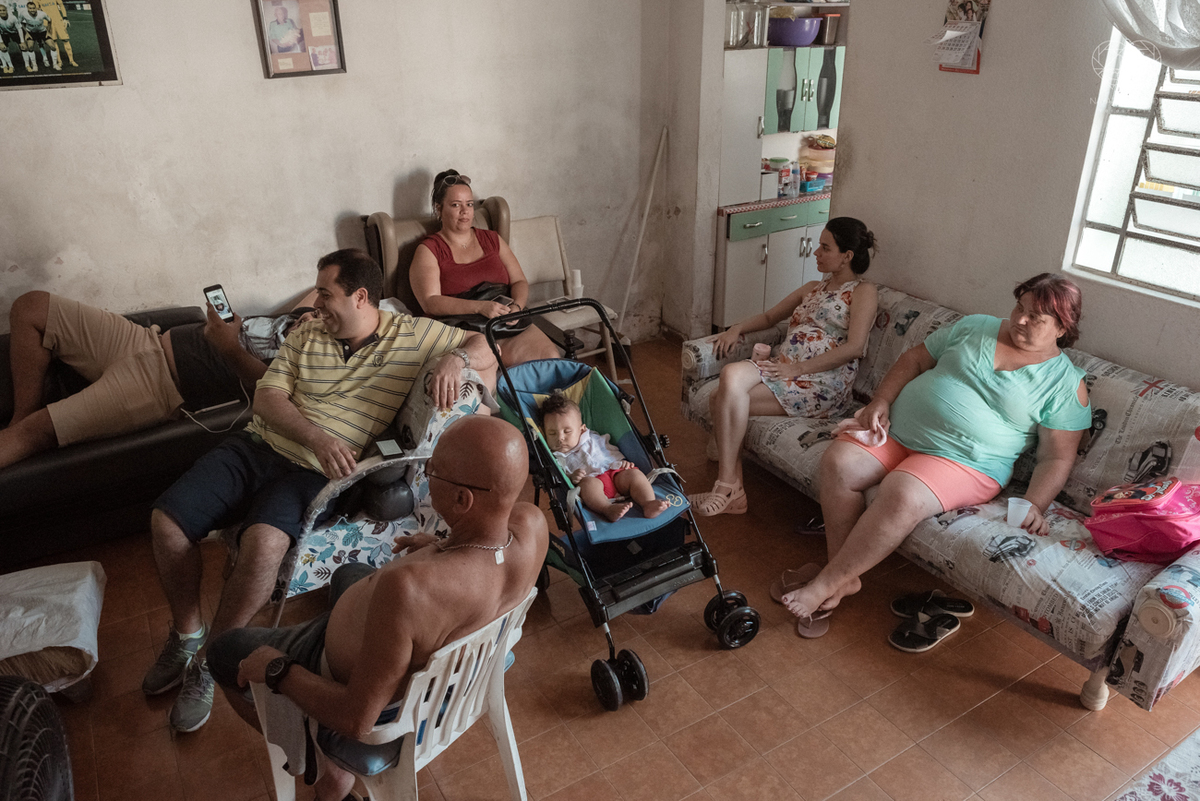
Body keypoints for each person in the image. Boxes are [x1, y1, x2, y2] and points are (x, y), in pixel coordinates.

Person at [142, 249, 497, 734]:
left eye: (326, 294)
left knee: (264, 543)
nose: (318, 303)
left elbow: (488, 344)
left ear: (361, 296)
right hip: (259, 446)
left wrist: (455, 360)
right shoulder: (308, 333)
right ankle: (187, 632)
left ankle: (212, 657)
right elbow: (268, 396)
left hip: (314, 474)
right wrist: (316, 435)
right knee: (167, 522)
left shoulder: (411, 334)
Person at [207, 415, 549, 801]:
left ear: (461, 500)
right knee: (350, 572)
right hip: (442, 669)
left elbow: (357, 719)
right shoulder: (532, 526)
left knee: (223, 652)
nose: (427, 474)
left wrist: (277, 669)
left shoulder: (409, 589)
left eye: (433, 470)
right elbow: (480, 560)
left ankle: (326, 771)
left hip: (363, 692)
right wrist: (440, 546)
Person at [778, 273, 1091, 637]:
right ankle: (842, 577)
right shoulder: (976, 327)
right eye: (1019, 307)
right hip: (897, 432)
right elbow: (914, 360)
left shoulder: (1066, 384)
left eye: (1035, 317)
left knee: (902, 492)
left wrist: (1035, 503)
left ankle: (824, 583)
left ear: (1061, 327)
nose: (1020, 319)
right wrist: (880, 401)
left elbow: (1056, 458)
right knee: (839, 463)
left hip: (966, 462)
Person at [0, 288, 318, 472]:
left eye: (320, 318)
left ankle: (20, 431)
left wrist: (230, 345)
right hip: (143, 340)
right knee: (32, 306)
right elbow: (330, 282)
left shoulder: (315, 365)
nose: (311, 315)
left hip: (155, 387)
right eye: (318, 310)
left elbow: (267, 388)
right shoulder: (302, 318)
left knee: (34, 432)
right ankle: (19, 416)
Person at [689, 217, 879, 516]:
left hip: (819, 382)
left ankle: (728, 489)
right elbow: (768, 318)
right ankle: (731, 487)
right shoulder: (812, 288)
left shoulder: (863, 292)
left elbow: (854, 347)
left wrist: (798, 370)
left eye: (825, 247)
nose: (816, 252)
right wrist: (735, 328)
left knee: (719, 400)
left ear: (847, 256)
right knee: (729, 378)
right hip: (782, 368)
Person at [410, 169, 561, 368]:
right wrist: (480, 307)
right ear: (439, 209)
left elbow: (519, 281)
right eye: (456, 205)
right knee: (496, 371)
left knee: (551, 359)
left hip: (505, 321)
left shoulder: (492, 239)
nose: (465, 211)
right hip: (464, 328)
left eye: (469, 204)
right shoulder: (429, 249)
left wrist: (516, 309)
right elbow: (430, 302)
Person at [540, 392, 669, 523]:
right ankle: (607, 509)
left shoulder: (592, 437)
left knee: (634, 474)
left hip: (615, 474)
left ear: (582, 429)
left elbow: (609, 450)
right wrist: (572, 477)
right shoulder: (557, 457)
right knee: (587, 485)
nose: (560, 438)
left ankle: (648, 503)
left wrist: (622, 463)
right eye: (552, 433)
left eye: (567, 431)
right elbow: (561, 478)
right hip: (594, 484)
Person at [34, 0, 71, 67]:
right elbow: (37, 10)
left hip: (58, 20)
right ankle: (59, 61)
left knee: (65, 39)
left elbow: (61, 5)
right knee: (54, 42)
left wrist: (65, 17)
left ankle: (71, 60)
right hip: (47, 22)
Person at [17, 1, 53, 70]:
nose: (32, 10)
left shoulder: (42, 14)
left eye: (34, 8)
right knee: (30, 47)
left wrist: (48, 32)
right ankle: (34, 65)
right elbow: (20, 22)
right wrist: (26, 33)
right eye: (30, 8)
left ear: (36, 8)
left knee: (43, 45)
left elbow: (49, 20)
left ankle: (45, 60)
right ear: (27, 8)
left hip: (41, 31)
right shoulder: (23, 14)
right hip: (31, 32)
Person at [0, 5, 19, 73]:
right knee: (2, 48)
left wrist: (22, 41)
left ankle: (27, 64)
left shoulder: (12, 18)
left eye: (3, 10)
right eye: (0, 11)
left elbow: (19, 28)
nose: (2, 12)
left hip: (13, 32)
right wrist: (1, 42)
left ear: (6, 10)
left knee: (24, 47)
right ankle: (6, 65)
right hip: (3, 33)